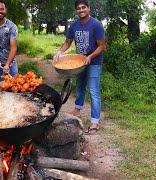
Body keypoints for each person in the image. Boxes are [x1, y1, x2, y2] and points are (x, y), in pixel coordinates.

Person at [53, 0, 105, 134]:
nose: (81, 10)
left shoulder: (96, 25)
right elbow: (67, 42)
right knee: (80, 86)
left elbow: (101, 46)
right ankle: (77, 110)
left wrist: (90, 57)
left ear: (89, 8)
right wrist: (59, 52)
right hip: (79, 62)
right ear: (76, 10)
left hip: (94, 62)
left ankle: (95, 122)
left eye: (83, 7)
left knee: (93, 90)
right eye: (78, 8)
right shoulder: (74, 26)